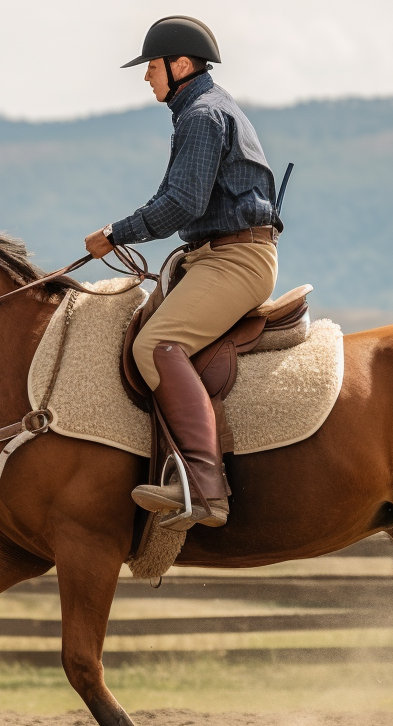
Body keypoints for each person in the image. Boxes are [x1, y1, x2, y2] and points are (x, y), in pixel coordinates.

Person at [84, 16, 281, 531]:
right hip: (214, 255)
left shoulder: (202, 116)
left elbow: (181, 204)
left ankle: (204, 487)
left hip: (234, 260)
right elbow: (175, 200)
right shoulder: (200, 111)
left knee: (156, 346)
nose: (147, 76)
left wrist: (116, 232)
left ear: (182, 65)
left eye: (152, 66)